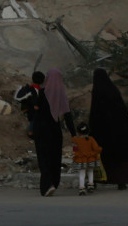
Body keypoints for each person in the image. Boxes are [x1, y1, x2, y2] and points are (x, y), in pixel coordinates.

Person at [87, 67, 128, 190]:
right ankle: (121, 182)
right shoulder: (113, 90)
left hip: (102, 133)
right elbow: (122, 111)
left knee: (103, 157)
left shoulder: (97, 92)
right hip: (119, 131)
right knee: (120, 156)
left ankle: (99, 180)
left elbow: (95, 114)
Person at [31, 68, 76, 197]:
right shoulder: (62, 95)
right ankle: (54, 183)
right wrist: (73, 134)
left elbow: (35, 113)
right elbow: (68, 116)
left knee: (43, 158)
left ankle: (47, 185)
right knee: (55, 158)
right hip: (55, 131)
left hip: (41, 130)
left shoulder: (41, 93)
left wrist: (31, 130)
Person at [71, 122, 102, 195]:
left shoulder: (75, 140)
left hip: (81, 159)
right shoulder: (91, 139)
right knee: (90, 171)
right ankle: (91, 185)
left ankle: (81, 189)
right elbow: (96, 148)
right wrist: (100, 149)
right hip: (91, 158)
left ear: (78, 132)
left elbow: (75, 150)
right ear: (88, 131)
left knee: (82, 173)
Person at [14, 70, 45, 138]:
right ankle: (33, 132)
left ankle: (32, 132)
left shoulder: (29, 89)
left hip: (30, 110)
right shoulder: (41, 91)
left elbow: (18, 97)